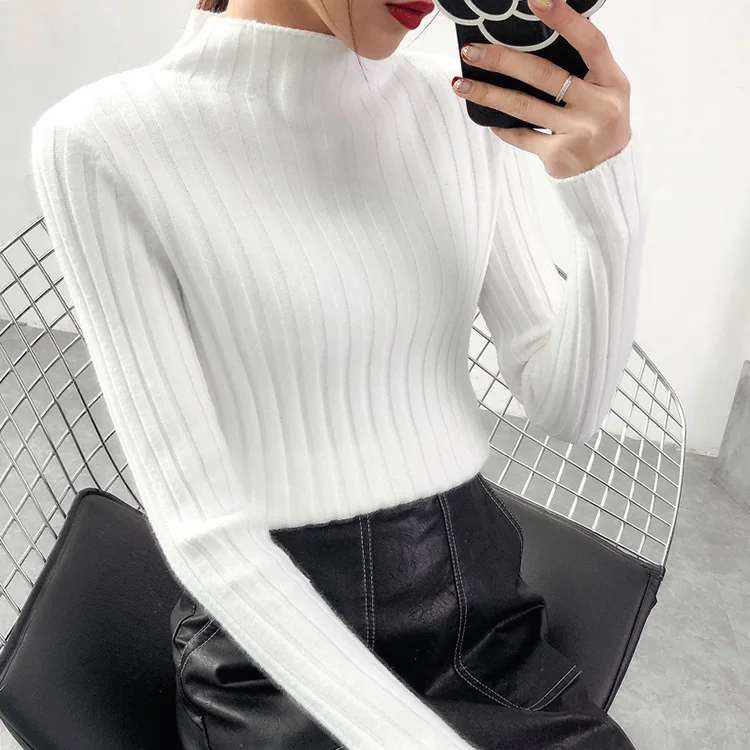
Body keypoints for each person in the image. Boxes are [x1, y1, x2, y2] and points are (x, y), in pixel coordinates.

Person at [29, 0, 645, 747]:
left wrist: (609, 212)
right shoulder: (101, 141)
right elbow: (204, 530)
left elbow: (567, 408)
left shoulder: (453, 107)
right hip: (277, 660)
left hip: (481, 622)